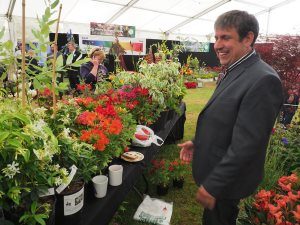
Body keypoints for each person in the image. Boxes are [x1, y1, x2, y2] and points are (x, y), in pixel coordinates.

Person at [178, 10, 283, 225]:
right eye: (216, 37)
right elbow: (225, 119)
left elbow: (248, 144)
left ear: (248, 38)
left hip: (228, 183)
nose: (217, 45)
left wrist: (214, 185)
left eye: (225, 37)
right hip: (217, 171)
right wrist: (198, 143)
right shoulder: (235, 68)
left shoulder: (263, 80)